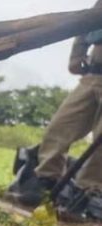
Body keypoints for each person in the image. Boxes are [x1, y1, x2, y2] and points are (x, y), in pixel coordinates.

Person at [12, 8, 102, 213]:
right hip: (93, 73)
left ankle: (89, 194)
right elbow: (88, 21)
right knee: (59, 128)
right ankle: (46, 180)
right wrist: (77, 53)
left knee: (100, 146)